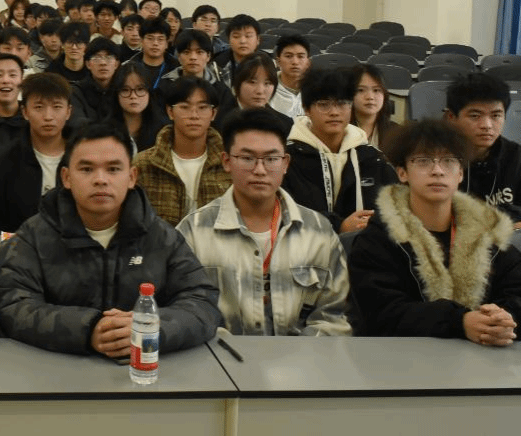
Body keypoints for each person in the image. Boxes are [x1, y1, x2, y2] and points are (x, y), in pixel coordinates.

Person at [0, 123, 221, 357]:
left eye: (113, 169)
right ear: (66, 177)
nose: (100, 180)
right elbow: (13, 306)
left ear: (131, 177)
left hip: (143, 368)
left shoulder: (161, 237)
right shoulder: (33, 237)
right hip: (55, 366)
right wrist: (88, 329)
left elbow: (202, 303)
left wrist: (151, 326)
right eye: (86, 169)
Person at [347, 120, 521, 342]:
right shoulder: (377, 239)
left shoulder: (489, 233)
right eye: (423, 161)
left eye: (449, 161)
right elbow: (380, 315)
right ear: (402, 172)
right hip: (404, 359)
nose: (437, 171)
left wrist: (503, 320)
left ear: (460, 173)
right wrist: (459, 322)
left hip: (484, 358)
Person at [177, 109, 351, 336]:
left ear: (285, 163)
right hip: (219, 355)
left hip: (302, 356)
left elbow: (334, 317)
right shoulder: (193, 232)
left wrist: (301, 354)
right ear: (226, 161)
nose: (259, 170)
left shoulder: (318, 233)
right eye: (247, 158)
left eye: (271, 159)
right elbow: (182, 310)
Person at [283, 68, 395, 234]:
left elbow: (396, 207)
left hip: (363, 246)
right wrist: (339, 226)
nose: (334, 112)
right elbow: (283, 211)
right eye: (324, 105)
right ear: (306, 109)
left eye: (342, 104)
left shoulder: (371, 158)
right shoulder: (289, 158)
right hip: (305, 245)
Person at [444, 73, 521, 227]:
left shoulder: (517, 156)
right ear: (451, 117)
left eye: (496, 116)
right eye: (475, 116)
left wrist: (513, 221)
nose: (487, 125)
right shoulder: (434, 159)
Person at [0, 73, 72, 235]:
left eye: (57, 107)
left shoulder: (86, 159)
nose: (48, 116)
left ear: (68, 112)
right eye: (38, 107)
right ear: (24, 112)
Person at [133, 76, 231, 226]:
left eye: (202, 107)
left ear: (213, 113)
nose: (194, 115)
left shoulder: (229, 165)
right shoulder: (144, 164)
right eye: (185, 107)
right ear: (170, 112)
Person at [224, 55, 294, 140]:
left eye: (267, 83)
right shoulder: (218, 118)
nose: (260, 91)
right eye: (252, 82)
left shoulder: (285, 124)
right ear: (238, 83)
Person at [109, 65, 169, 153]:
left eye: (140, 89)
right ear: (116, 94)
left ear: (149, 92)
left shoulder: (165, 131)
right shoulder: (105, 131)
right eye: (125, 90)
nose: (133, 96)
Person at [70, 37, 121, 122]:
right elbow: (77, 122)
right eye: (97, 58)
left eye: (108, 58)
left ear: (116, 64)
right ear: (88, 64)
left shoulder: (123, 90)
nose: (103, 63)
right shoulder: (76, 92)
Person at [122, 17, 180, 89]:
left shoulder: (178, 69)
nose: (155, 43)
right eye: (150, 38)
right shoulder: (127, 68)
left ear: (166, 43)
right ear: (141, 41)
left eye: (160, 39)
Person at [350, 63, 398, 150]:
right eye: (360, 90)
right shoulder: (339, 131)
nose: (370, 97)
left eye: (376, 90)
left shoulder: (396, 132)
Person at [215, 14, 263, 88]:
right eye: (236, 36)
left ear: (258, 39)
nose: (243, 41)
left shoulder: (267, 63)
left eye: (248, 36)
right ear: (229, 39)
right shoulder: (217, 65)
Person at [269, 35, 310, 120]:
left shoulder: (317, 89)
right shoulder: (267, 88)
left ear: (308, 62)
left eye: (300, 56)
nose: (295, 62)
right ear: (278, 62)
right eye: (288, 56)